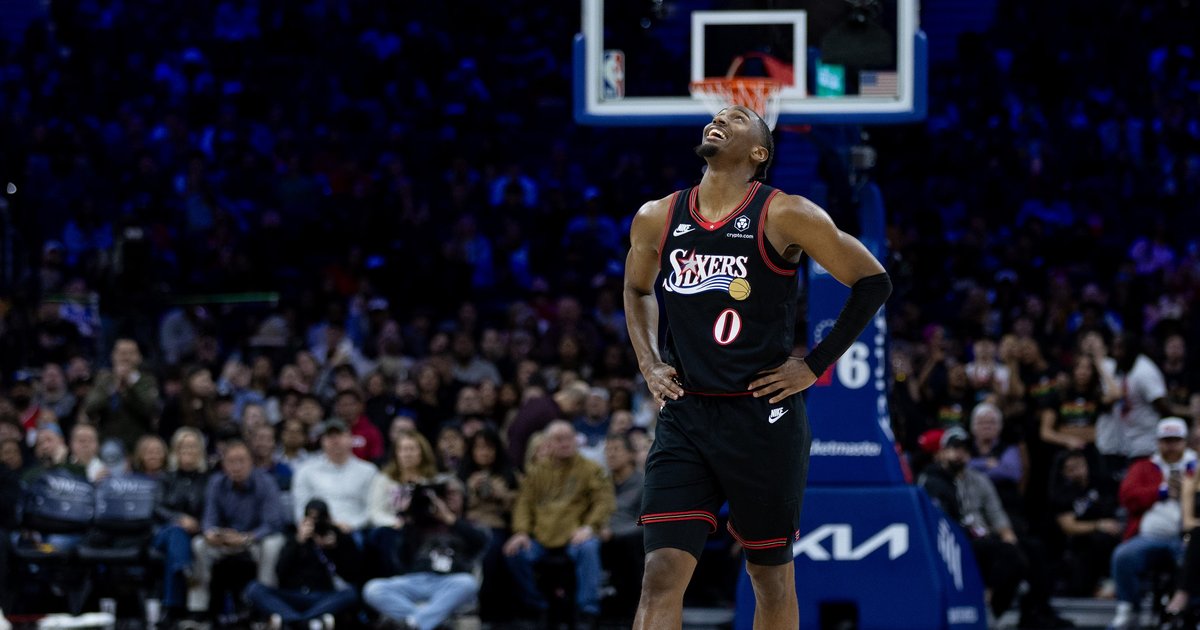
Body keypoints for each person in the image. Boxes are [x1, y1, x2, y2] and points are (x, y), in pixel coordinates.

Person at [622, 105, 892, 629]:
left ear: (759, 153)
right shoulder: (658, 215)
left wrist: (812, 366)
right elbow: (637, 289)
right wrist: (649, 363)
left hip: (762, 419)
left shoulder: (785, 213)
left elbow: (872, 281)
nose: (719, 117)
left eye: (738, 117)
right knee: (659, 573)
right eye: (718, 112)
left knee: (769, 578)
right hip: (687, 416)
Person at [918, 427, 1070, 628]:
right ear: (942, 452)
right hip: (959, 539)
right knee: (1010, 556)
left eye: (964, 449)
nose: (959, 454)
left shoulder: (979, 480)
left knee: (1034, 549)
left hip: (986, 536)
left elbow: (996, 513)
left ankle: (1036, 610)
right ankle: (990, 608)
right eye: (954, 448)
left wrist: (1008, 536)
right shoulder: (933, 479)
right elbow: (940, 519)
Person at [503, 420, 615, 625]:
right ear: (548, 443)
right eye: (559, 439)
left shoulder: (591, 469)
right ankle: (537, 606)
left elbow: (604, 501)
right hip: (541, 537)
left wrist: (589, 527)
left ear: (576, 440)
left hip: (575, 535)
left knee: (589, 548)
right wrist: (521, 532)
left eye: (569, 438)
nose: (565, 443)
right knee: (515, 553)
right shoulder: (536, 471)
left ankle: (587, 610)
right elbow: (523, 504)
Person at [364, 474, 488, 630]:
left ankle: (414, 623)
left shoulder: (471, 525)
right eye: (445, 493)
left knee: (468, 583)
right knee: (373, 589)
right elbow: (401, 558)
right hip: (415, 580)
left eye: (454, 492)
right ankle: (429, 621)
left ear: (464, 496)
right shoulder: (420, 524)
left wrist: (451, 519)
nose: (450, 497)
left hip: (449, 583)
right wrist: (407, 518)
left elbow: (481, 543)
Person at [1107, 417, 1195, 629]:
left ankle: (1189, 611)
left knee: (1192, 558)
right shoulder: (1144, 466)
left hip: (1187, 538)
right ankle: (1129, 607)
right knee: (1123, 555)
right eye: (1166, 440)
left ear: (1185, 441)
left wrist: (1188, 489)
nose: (1171, 445)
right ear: (1157, 442)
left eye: (1175, 440)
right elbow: (1127, 497)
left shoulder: (1196, 465)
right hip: (1148, 536)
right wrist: (1161, 491)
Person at [193, 440, 286, 621]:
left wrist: (246, 538)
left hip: (255, 541)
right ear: (224, 464)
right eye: (231, 462)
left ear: (251, 462)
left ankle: (265, 604)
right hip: (225, 541)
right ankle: (199, 609)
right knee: (198, 544)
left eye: (241, 461)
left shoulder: (266, 483)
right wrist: (212, 533)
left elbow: (273, 523)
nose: (236, 467)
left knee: (274, 544)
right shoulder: (216, 483)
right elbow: (209, 519)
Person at [244, 499, 361, 630]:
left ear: (328, 518)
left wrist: (334, 548)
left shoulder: (338, 538)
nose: (315, 523)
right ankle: (308, 622)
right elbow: (279, 572)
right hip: (292, 595)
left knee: (352, 593)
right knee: (254, 588)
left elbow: (352, 575)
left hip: (322, 597)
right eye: (310, 519)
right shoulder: (293, 537)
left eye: (319, 519)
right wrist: (298, 542)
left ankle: (291, 622)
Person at [1048, 450, 1121, 597]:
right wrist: (1099, 525)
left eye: (1080, 465)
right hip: (1077, 543)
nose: (1078, 471)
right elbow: (1069, 527)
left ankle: (1111, 583)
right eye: (1071, 468)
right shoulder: (1062, 493)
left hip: (1110, 535)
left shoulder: (1101, 484)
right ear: (1063, 472)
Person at [291, 419, 379, 534]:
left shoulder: (368, 471)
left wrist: (352, 525)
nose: (335, 441)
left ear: (350, 438)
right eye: (330, 436)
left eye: (339, 435)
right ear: (322, 441)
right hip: (318, 530)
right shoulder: (306, 471)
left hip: (356, 530)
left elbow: (373, 510)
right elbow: (300, 509)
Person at [83, 338, 160, 452]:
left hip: (139, 444)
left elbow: (150, 409)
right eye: (122, 353)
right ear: (113, 356)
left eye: (131, 353)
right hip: (108, 444)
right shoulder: (103, 380)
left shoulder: (147, 381)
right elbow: (90, 407)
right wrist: (113, 388)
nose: (126, 357)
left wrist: (130, 387)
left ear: (139, 357)